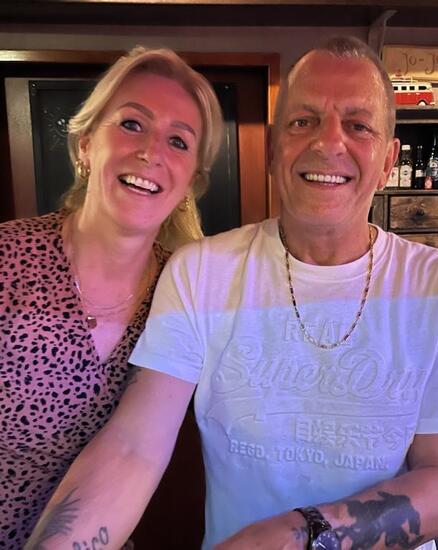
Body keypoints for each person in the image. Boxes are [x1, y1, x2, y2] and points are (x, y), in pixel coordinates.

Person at [27, 36, 438, 550]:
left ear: (388, 161)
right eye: (303, 121)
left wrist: (300, 534)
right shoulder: (200, 273)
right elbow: (133, 447)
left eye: (357, 125)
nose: (327, 142)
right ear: (275, 148)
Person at [0, 45, 222, 549]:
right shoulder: (8, 257)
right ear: (85, 145)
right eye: (131, 124)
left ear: (192, 181)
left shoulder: (184, 291)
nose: (151, 153)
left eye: (178, 141)